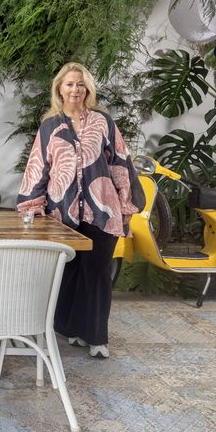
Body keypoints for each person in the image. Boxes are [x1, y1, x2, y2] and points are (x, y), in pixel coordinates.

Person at [16, 62, 144, 359]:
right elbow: (38, 166)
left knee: (97, 273)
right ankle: (73, 330)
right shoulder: (50, 126)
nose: (76, 89)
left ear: (88, 89)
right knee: (69, 272)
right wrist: (33, 205)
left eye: (81, 84)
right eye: (70, 84)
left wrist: (126, 203)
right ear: (59, 89)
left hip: (103, 209)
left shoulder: (103, 122)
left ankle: (97, 338)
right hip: (62, 213)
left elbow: (120, 161)